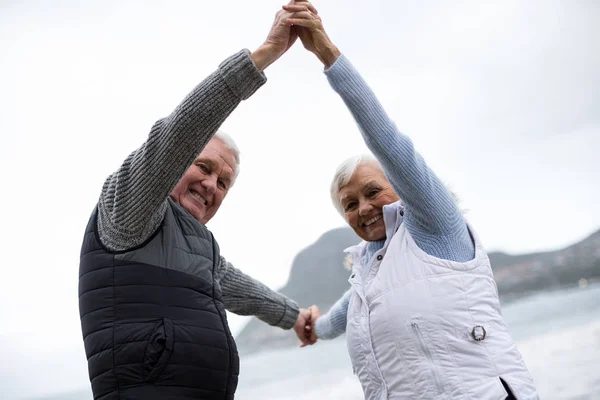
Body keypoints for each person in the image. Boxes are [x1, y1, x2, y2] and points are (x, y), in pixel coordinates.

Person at [285, 2, 540, 399]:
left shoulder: (435, 224)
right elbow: (341, 314)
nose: (364, 208)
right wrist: (311, 327)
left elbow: (387, 141)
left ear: (401, 187)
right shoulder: (370, 272)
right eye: (349, 204)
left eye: (373, 191)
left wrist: (327, 54)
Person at [78, 6, 317, 400]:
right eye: (203, 167)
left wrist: (294, 317)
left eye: (223, 182)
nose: (211, 185)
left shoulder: (199, 247)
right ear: (177, 162)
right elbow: (179, 132)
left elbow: (244, 291)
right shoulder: (127, 211)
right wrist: (262, 57)